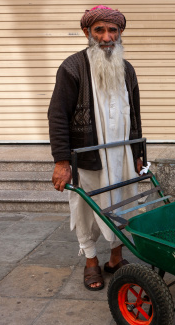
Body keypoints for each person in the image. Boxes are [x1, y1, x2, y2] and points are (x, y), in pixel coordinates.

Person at [48, 5, 143, 291]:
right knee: (87, 208)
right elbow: (57, 115)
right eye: (99, 30)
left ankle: (115, 259)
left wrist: (139, 154)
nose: (106, 36)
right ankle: (91, 262)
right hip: (87, 156)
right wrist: (61, 162)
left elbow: (135, 114)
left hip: (123, 154)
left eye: (112, 30)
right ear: (87, 32)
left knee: (122, 202)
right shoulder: (72, 67)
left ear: (120, 33)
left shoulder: (126, 68)